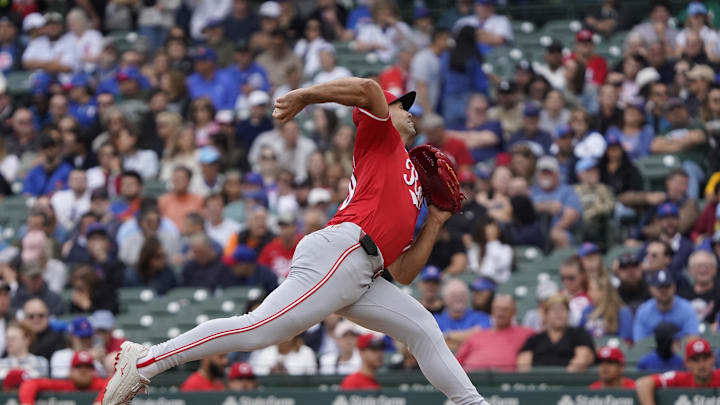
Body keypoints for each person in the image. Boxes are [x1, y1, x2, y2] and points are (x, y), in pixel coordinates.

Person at [104, 78, 491, 405]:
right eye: (400, 104)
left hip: (363, 272)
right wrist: (305, 96)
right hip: (343, 251)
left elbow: (404, 272)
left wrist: (436, 221)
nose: (409, 110)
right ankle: (145, 361)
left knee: (422, 327)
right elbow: (368, 88)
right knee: (261, 329)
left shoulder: (414, 191)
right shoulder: (381, 137)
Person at [517, 293, 595, 372]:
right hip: (539, 382)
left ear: (568, 313)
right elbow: (523, 363)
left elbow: (584, 357)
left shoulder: (579, 334)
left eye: (562, 309)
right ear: (546, 314)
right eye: (553, 310)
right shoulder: (534, 339)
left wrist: (563, 378)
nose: (558, 313)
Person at [455, 295, 534, 372]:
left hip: (504, 380)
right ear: (492, 311)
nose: (501, 313)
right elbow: (457, 362)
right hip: (471, 378)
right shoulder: (477, 336)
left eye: (505, 309)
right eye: (497, 309)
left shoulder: (526, 333)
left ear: (514, 312)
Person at [636, 338, 720, 405]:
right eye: (696, 360)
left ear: (713, 359)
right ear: (687, 363)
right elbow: (643, 383)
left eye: (705, 358)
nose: (702, 364)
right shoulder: (680, 378)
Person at [531, 156, 583, 249]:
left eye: (549, 173)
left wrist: (556, 228)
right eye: (543, 173)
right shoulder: (532, 191)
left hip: (558, 228)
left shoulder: (566, 190)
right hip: (535, 230)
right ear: (537, 175)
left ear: (557, 174)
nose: (546, 176)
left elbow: (572, 214)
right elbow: (525, 209)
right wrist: (545, 206)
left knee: (559, 236)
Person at [633, 270, 699, 342]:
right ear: (651, 289)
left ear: (674, 287)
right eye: (659, 287)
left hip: (680, 351)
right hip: (651, 352)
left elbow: (693, 338)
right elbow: (640, 343)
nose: (663, 290)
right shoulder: (643, 311)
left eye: (667, 286)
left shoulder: (687, 308)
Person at [441, 26, 488, 125]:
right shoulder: (473, 56)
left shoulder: (447, 55)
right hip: (469, 100)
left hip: (449, 100)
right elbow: (479, 84)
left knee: (452, 133)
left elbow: (443, 79)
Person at [18, 351, 106, 405]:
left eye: (88, 367)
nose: (83, 371)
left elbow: (113, 383)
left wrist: (100, 401)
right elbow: (31, 383)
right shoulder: (66, 384)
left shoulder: (98, 383)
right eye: (79, 367)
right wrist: (27, 403)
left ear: (94, 372)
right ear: (70, 371)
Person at [434, 279, 491, 351]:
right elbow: (436, 346)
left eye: (463, 294)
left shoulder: (482, 317)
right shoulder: (435, 320)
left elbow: (481, 336)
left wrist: (447, 335)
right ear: (444, 299)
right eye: (453, 295)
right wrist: (467, 339)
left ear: (468, 297)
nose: (459, 297)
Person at [250, 333, 316, 375]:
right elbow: (258, 374)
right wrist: (270, 372)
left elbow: (312, 377)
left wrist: (288, 373)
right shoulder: (267, 351)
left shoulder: (306, 352)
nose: (286, 338)